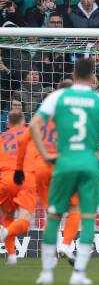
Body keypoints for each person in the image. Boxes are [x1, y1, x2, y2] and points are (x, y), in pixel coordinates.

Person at [28, 58, 99, 285]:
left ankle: (46, 273)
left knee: (54, 216)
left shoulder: (58, 96)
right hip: (90, 164)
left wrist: (46, 154)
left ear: (73, 73)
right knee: (88, 217)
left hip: (63, 163)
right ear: (93, 76)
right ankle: (79, 274)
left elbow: (33, 126)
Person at [9, 81, 81, 266]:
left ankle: (52, 251)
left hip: (40, 168)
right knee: (75, 209)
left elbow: (23, 141)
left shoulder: (42, 115)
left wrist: (18, 168)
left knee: (52, 213)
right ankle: (65, 245)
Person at [0, 111, 28, 264]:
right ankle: (6, 234)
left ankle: (11, 256)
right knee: (25, 219)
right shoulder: (29, 133)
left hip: (5, 180)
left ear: (7, 123)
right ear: (24, 121)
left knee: (8, 216)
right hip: (25, 178)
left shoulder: (1, 137)